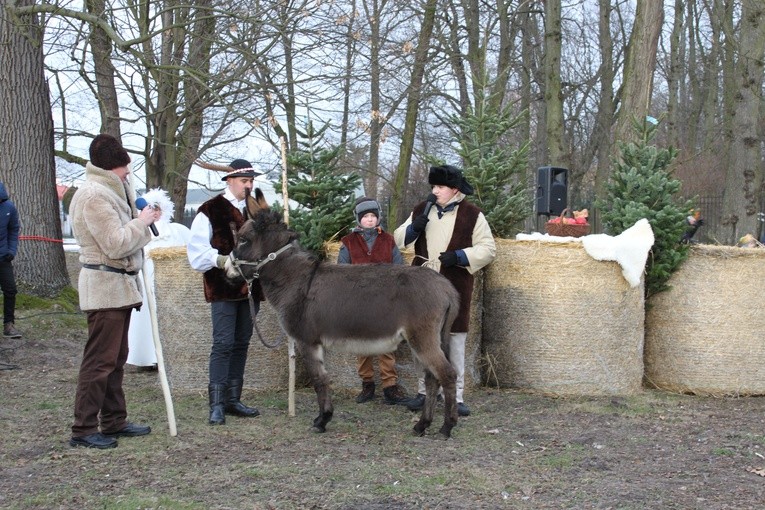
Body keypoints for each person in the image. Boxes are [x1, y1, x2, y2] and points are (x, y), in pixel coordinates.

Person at [68, 134, 161, 449]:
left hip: (117, 288)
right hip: (104, 288)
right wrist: (141, 223)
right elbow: (116, 243)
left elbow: (124, 237)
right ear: (111, 169)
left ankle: (113, 421)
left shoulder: (109, 193)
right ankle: (83, 429)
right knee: (99, 361)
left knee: (115, 358)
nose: (128, 176)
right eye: (124, 171)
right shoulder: (94, 196)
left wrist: (140, 222)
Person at [394, 164, 496, 417]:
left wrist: (461, 256)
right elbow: (398, 240)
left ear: (454, 189)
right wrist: (412, 228)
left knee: (454, 341)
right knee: (421, 338)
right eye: (433, 186)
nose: (435, 191)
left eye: (440, 187)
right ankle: (423, 391)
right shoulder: (422, 209)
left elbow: (488, 249)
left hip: (455, 283)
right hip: (422, 286)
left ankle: (456, 396)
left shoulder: (473, 215)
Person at [187, 159, 264, 425]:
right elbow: (196, 254)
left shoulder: (256, 211)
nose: (249, 185)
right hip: (222, 288)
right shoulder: (210, 210)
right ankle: (216, 405)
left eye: (251, 181)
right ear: (229, 181)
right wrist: (221, 260)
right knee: (223, 344)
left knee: (242, 343)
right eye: (244, 181)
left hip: (251, 289)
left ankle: (233, 400)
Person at [337, 197, 413, 406]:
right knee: (362, 345)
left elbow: (399, 269)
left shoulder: (388, 240)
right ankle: (367, 384)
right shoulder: (348, 242)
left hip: (384, 302)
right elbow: (342, 273)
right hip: (358, 303)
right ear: (359, 219)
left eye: (373, 216)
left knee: (387, 344)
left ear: (378, 218)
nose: (369, 220)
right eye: (365, 217)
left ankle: (390, 386)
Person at [127, 188, 191, 369]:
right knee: (145, 320)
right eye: (150, 208)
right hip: (145, 283)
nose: (155, 212)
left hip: (172, 285)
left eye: (157, 208)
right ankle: (145, 357)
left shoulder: (178, 231)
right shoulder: (137, 232)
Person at [0, 182, 21, 339]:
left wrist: (11, 251)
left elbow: (13, 230)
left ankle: (9, 325)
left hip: (3, 257)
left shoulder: (9, 207)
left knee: (10, 290)